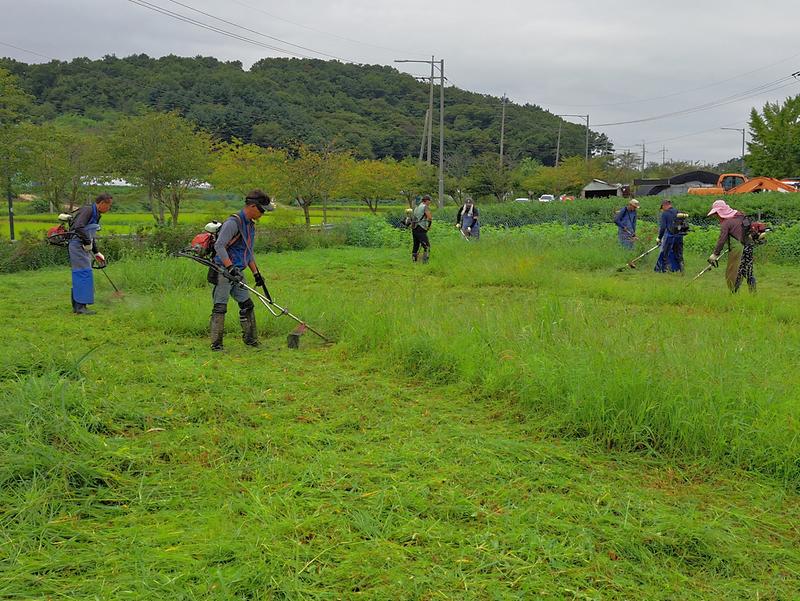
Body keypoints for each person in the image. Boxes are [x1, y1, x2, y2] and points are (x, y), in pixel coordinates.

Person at [209, 190, 274, 351]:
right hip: (223, 271)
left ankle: (251, 340)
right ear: (252, 206)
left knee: (247, 305)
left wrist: (256, 274)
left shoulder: (250, 225)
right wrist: (230, 267)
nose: (263, 214)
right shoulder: (233, 223)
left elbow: (247, 252)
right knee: (220, 306)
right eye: (262, 210)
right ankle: (216, 345)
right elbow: (219, 246)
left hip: (238, 272)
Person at [68, 192, 113, 315]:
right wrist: (87, 242)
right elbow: (79, 227)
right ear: (102, 203)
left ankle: (78, 306)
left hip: (83, 245)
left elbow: (90, 235)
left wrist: (96, 252)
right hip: (77, 245)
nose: (109, 208)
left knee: (83, 273)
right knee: (83, 273)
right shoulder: (88, 210)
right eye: (108, 205)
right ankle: (80, 307)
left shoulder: (96, 214)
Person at [706, 199, 756, 293]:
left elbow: (722, 240)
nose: (716, 216)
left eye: (716, 213)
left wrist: (715, 254)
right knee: (748, 271)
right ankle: (753, 294)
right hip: (748, 246)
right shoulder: (740, 216)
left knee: (733, 272)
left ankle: (733, 294)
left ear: (720, 212)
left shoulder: (726, 223)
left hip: (738, 250)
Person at [654, 199, 685, 273]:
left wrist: (659, 238)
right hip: (679, 236)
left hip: (670, 236)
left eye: (662, 207)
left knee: (665, 253)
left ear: (664, 205)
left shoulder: (665, 214)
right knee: (678, 253)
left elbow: (663, 227)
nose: (662, 209)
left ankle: (664, 269)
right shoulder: (678, 212)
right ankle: (680, 268)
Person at [411, 194, 432, 263]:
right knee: (427, 246)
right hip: (421, 228)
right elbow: (429, 218)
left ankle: (414, 260)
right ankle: (425, 261)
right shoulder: (425, 207)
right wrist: (428, 226)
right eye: (429, 201)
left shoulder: (416, 207)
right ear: (426, 201)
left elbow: (414, 218)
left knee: (416, 245)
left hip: (414, 228)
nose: (430, 203)